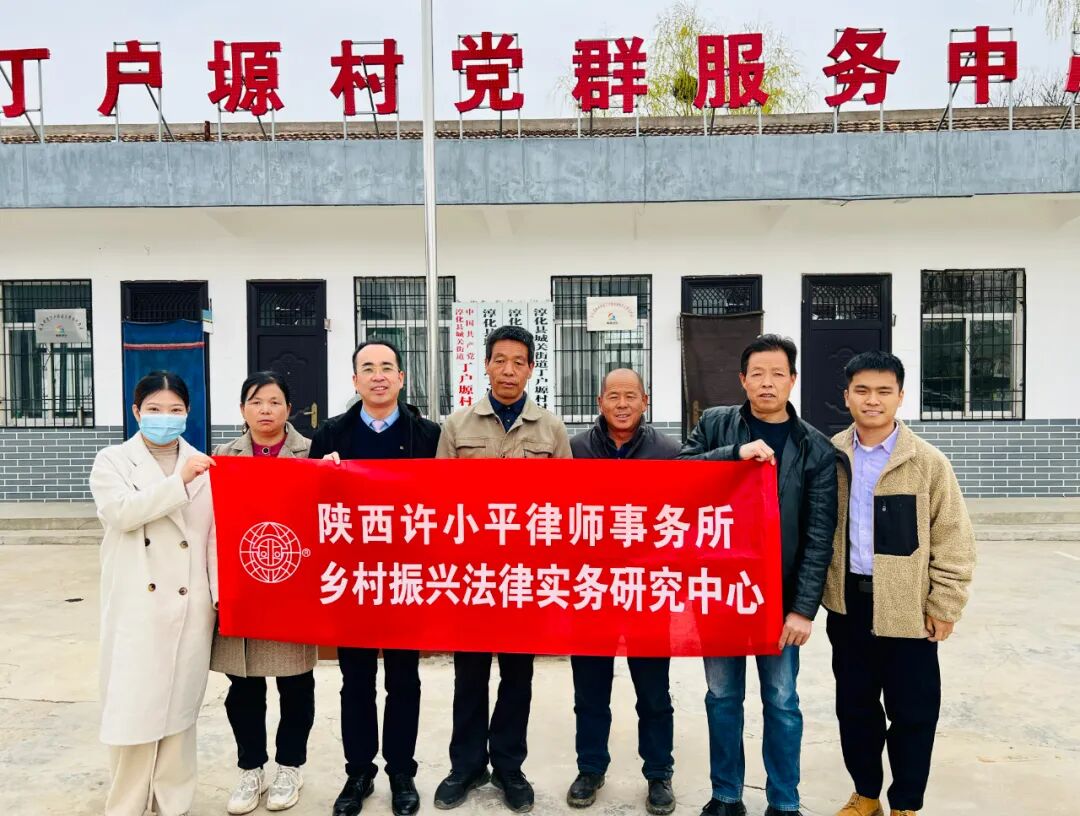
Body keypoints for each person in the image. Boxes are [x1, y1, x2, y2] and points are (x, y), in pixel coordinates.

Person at [678, 334, 837, 816]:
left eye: (777, 374)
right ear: (743, 379)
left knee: (782, 701)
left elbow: (818, 535)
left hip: (779, 599)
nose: (767, 383)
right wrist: (732, 454)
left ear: (793, 380)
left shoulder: (815, 447)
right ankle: (726, 795)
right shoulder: (715, 424)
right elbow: (679, 477)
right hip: (720, 593)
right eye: (758, 374)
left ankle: (784, 801)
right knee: (722, 697)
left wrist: (803, 609)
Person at [824, 351, 975, 816]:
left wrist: (945, 605)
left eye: (883, 391)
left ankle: (905, 804)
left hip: (908, 608)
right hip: (849, 605)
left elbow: (953, 539)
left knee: (913, 713)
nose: (872, 400)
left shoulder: (927, 462)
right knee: (855, 708)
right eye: (862, 390)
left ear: (900, 397)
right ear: (847, 396)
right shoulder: (831, 455)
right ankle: (866, 794)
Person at [433, 324, 572, 814]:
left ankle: (509, 767)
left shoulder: (550, 430)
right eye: (500, 361)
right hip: (472, 575)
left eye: (518, 362)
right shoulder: (457, 427)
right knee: (469, 675)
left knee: (517, 675)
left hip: (526, 576)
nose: (509, 370)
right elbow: (439, 503)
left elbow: (566, 504)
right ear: (486, 365)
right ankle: (467, 766)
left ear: (531, 368)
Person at [310, 340, 441, 816]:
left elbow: (447, 503)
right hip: (353, 577)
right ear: (355, 380)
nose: (378, 376)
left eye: (387, 367)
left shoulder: (429, 435)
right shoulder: (331, 435)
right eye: (368, 368)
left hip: (408, 575)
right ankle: (359, 772)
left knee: (404, 679)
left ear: (402, 378)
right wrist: (320, 476)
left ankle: (402, 771)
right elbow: (311, 506)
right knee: (356, 680)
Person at [89, 370, 217, 816]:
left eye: (175, 409)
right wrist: (178, 483)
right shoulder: (112, 461)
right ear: (136, 412)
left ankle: (173, 802)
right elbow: (122, 514)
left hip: (189, 601)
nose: (166, 417)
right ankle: (126, 803)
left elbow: (212, 537)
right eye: (155, 409)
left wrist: (217, 595)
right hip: (137, 603)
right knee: (133, 706)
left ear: (188, 413)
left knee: (180, 710)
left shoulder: (203, 463)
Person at [566, 368, 679, 815]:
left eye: (631, 395)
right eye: (613, 396)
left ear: (645, 401)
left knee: (653, 692)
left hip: (647, 592)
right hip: (591, 589)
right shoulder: (575, 450)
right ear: (600, 402)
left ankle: (659, 773)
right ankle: (590, 768)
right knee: (590, 690)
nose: (622, 404)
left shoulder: (669, 452)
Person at [211, 371, 316, 814]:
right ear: (242, 410)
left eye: (274, 402)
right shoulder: (222, 457)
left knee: (296, 686)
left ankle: (290, 766)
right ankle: (250, 767)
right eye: (256, 402)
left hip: (293, 585)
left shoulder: (313, 453)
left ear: (289, 409)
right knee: (244, 689)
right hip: (242, 586)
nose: (266, 410)